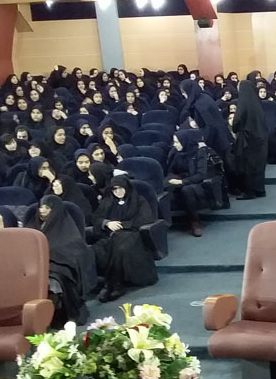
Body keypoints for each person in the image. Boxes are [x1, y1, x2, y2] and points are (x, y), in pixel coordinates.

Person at [26, 195, 92, 328]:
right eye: (41, 207)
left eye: (47, 208)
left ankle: (55, 315)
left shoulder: (66, 228)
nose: (42, 211)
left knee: (57, 278)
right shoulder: (32, 226)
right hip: (33, 265)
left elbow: (75, 253)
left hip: (59, 267)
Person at [92, 175, 157, 303]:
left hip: (132, 234)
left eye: (120, 188)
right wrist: (107, 223)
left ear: (127, 187)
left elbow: (145, 219)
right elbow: (96, 218)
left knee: (121, 248)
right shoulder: (108, 201)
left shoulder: (138, 201)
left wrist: (122, 225)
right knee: (98, 249)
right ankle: (111, 284)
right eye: (114, 189)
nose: (117, 192)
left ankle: (113, 285)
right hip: (110, 235)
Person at [165, 130, 209, 237]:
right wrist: (173, 179)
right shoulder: (174, 153)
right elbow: (170, 171)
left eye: (177, 142)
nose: (174, 145)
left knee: (187, 190)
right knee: (164, 185)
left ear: (185, 141)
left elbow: (200, 175)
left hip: (196, 183)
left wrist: (182, 182)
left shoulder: (199, 152)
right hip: (179, 180)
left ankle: (195, 221)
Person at [232, 79, 268, 200]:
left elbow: (237, 120)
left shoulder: (243, 102)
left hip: (247, 139)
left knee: (247, 165)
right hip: (261, 138)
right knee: (259, 165)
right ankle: (260, 189)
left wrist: (235, 129)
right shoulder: (256, 102)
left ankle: (249, 192)